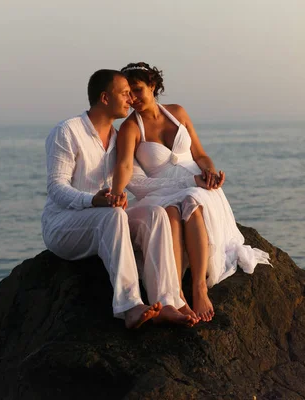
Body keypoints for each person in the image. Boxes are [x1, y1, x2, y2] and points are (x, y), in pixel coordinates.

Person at [111, 62, 270, 322]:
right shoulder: (131, 127)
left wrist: (211, 173)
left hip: (198, 185)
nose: (133, 98)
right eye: (128, 93)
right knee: (173, 213)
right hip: (163, 190)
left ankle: (198, 287)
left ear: (152, 85)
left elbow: (201, 154)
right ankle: (177, 296)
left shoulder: (177, 113)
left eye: (138, 90)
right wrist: (116, 195)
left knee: (193, 201)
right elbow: (126, 167)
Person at [42, 69, 197, 329]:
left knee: (155, 214)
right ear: (104, 98)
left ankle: (167, 302)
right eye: (125, 93)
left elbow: (136, 182)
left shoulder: (118, 138)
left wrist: (191, 182)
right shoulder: (68, 131)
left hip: (105, 218)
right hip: (63, 224)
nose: (130, 99)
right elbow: (56, 187)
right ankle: (130, 306)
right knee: (112, 215)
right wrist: (94, 201)